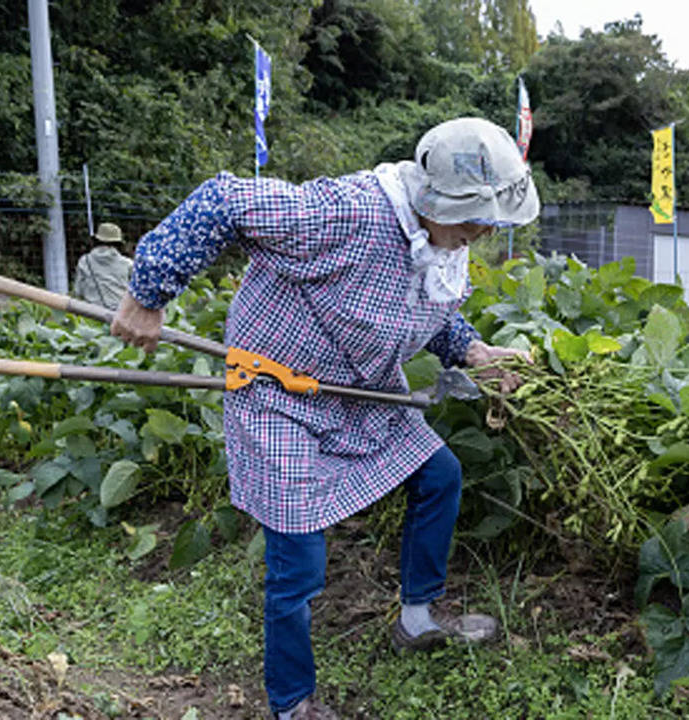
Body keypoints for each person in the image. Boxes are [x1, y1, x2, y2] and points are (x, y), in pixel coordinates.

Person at [109, 117, 538, 720]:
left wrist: (473, 352)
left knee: (439, 475)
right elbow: (225, 199)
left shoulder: (445, 241)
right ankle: (292, 703)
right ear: (435, 200)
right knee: (299, 558)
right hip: (276, 390)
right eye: (474, 219)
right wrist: (148, 293)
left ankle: (417, 619)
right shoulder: (351, 213)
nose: (483, 232)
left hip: (357, 391)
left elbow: (427, 308)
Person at [74, 222, 134, 310]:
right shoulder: (128, 264)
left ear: (97, 240)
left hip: (91, 314)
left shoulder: (85, 261)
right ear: (118, 243)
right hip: (119, 315)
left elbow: (78, 292)